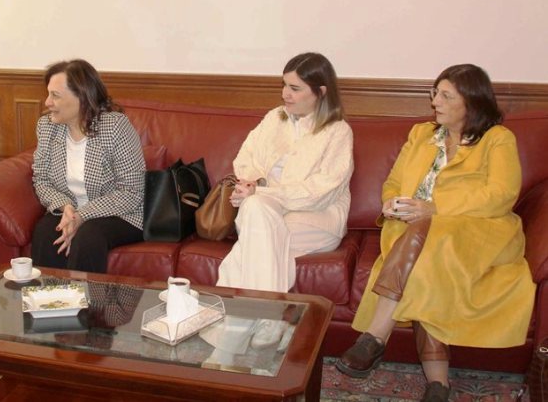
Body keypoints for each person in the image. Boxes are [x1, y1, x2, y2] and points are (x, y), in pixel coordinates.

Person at [336, 64, 535, 402]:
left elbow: (501, 195)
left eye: (445, 96)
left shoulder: (497, 139)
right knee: (425, 271)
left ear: (471, 101)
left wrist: (435, 208)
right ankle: (438, 385)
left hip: (477, 230)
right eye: (435, 93)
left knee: (427, 245)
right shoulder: (421, 135)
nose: (435, 102)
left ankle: (376, 335)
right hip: (413, 229)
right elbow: (394, 182)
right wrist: (390, 202)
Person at [216, 52, 353, 297]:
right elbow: (245, 159)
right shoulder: (274, 118)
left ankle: (234, 314)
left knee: (256, 231)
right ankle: (264, 314)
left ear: (321, 92)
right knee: (257, 213)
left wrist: (261, 192)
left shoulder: (338, 131)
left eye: (294, 88)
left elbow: (320, 194)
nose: (285, 94)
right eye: (284, 85)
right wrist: (254, 184)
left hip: (315, 218)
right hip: (265, 210)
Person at [30, 59, 145, 273]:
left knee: (88, 237)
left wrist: (82, 215)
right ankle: (49, 294)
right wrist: (66, 207)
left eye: (55, 95)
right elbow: (41, 180)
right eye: (48, 94)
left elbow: (132, 192)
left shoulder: (115, 127)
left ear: (81, 97)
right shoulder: (47, 127)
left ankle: (85, 297)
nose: (47, 102)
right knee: (45, 232)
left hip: (120, 214)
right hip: (69, 209)